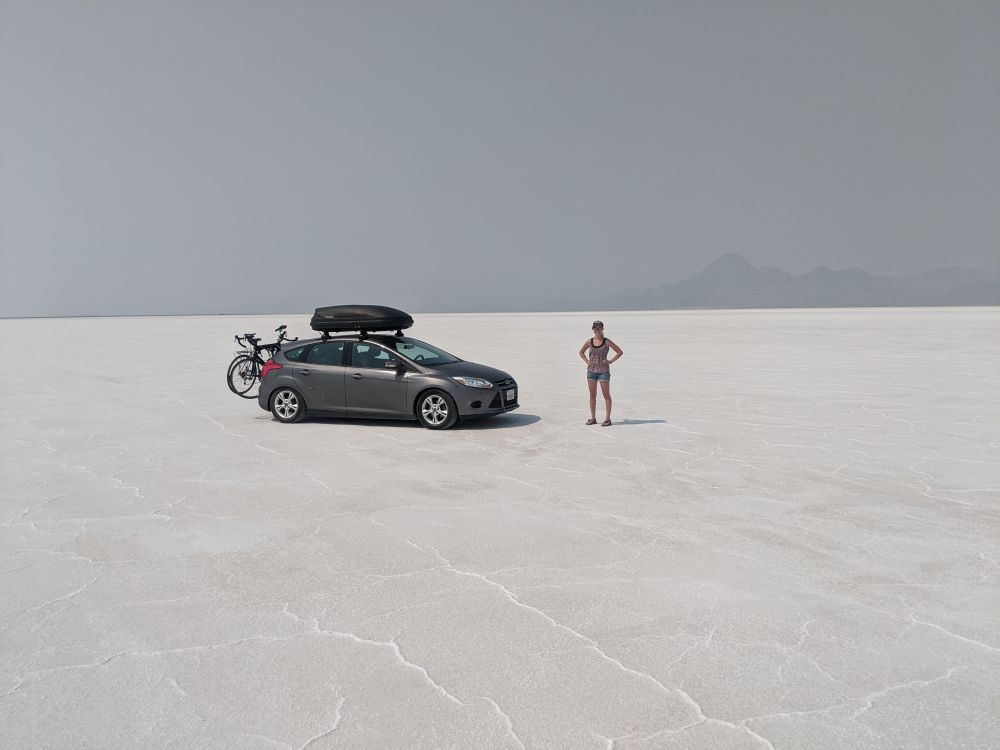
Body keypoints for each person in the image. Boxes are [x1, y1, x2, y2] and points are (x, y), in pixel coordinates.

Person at [579, 320, 623, 426]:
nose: (597, 329)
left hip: (603, 371)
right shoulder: (589, 342)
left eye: (599, 327)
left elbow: (619, 352)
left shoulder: (607, 341)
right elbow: (581, 352)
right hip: (591, 371)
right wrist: (587, 361)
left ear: (602, 329)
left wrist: (610, 361)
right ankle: (593, 418)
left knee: (606, 395)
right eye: (595, 328)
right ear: (593, 329)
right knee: (592, 395)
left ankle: (607, 419)